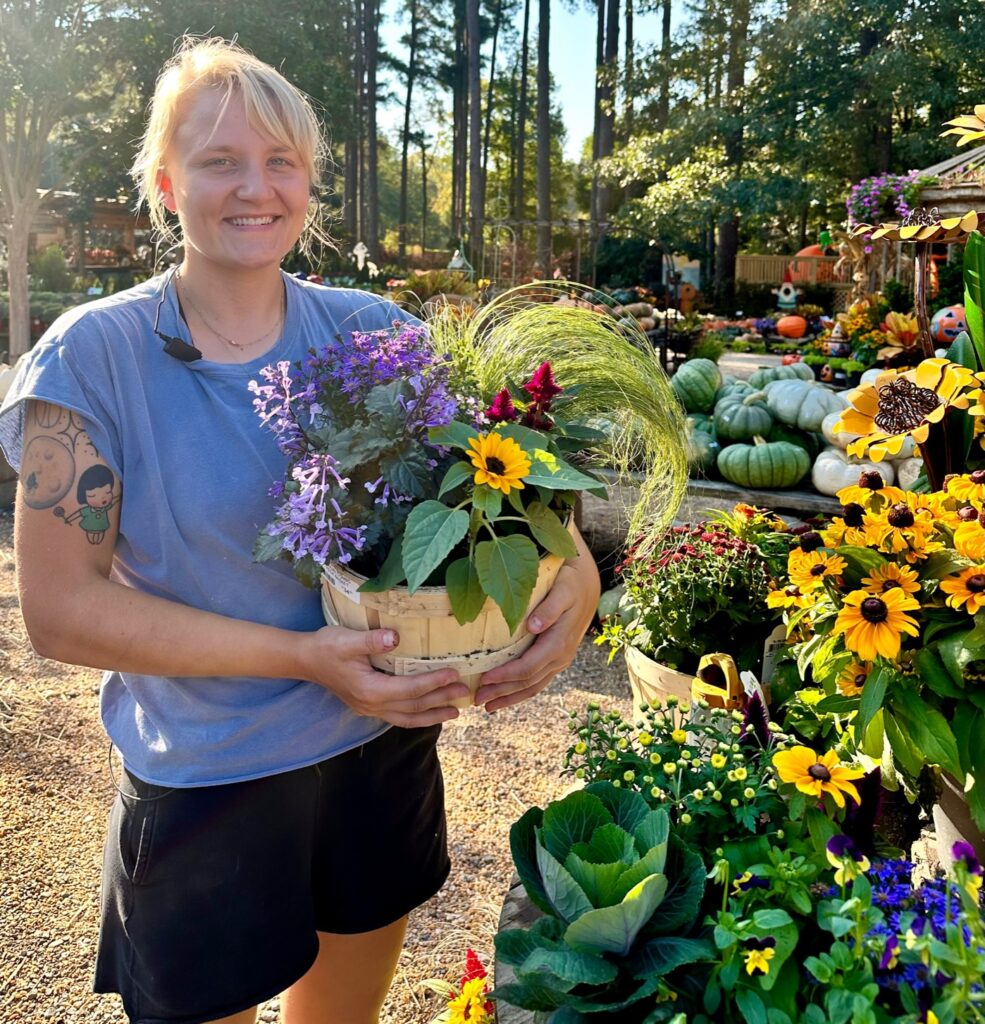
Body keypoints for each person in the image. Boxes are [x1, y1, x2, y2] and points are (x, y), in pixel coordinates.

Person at [0, 37, 600, 1024]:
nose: (255, 187)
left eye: (280, 162)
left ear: (310, 185)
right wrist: (305, 655)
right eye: (219, 160)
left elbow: (506, 489)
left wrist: (572, 587)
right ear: (165, 183)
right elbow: (61, 611)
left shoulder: (373, 331)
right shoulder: (95, 357)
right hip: (206, 777)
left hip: (375, 752)